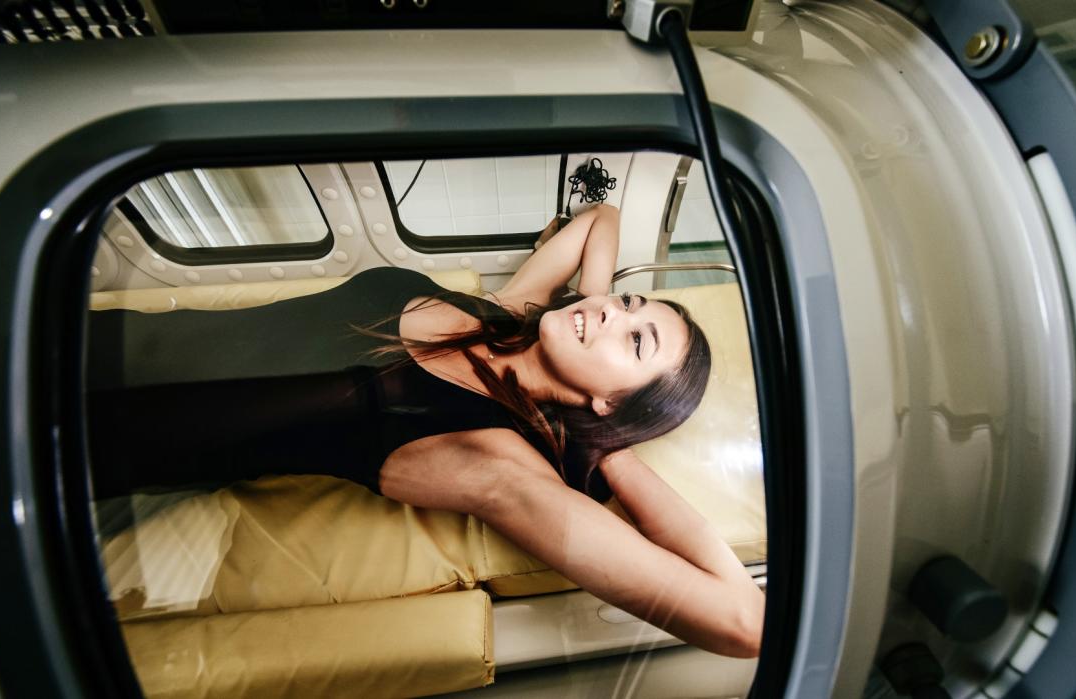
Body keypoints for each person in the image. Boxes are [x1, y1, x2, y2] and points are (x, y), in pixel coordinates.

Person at [86, 203, 764, 658]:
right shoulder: (503, 315)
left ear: (611, 401)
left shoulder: (495, 463)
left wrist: (611, 449)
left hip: (96, 442)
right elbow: (600, 218)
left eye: (636, 342)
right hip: (107, 342)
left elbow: (744, 621)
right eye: (628, 302)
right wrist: (594, 306)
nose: (612, 314)